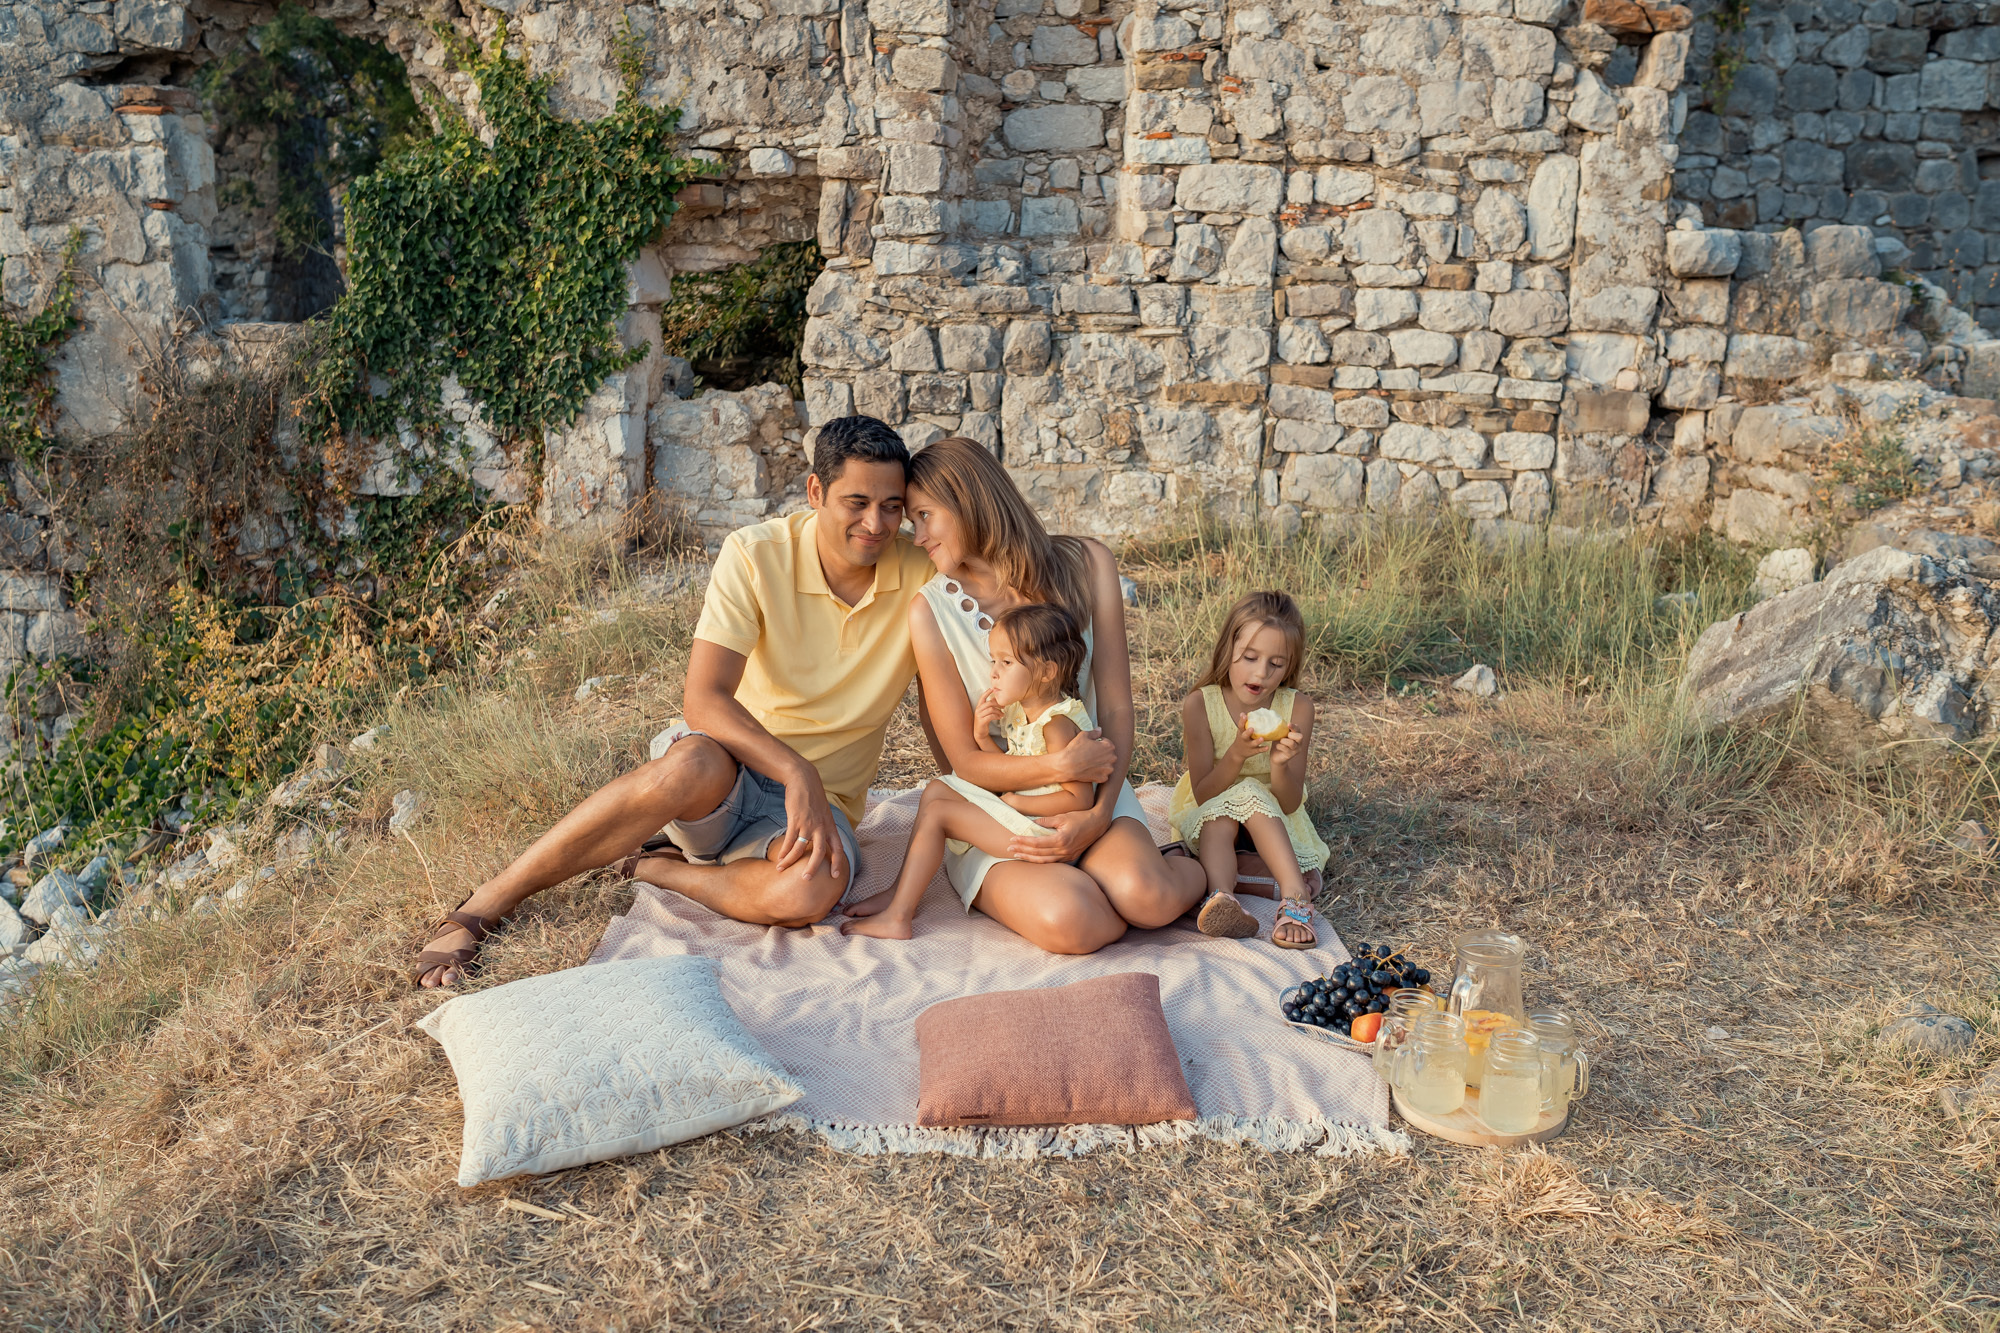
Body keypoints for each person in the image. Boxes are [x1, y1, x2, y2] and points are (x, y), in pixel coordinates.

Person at [409, 416, 1116, 987]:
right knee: (686, 767)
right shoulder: (756, 553)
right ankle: (483, 906)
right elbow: (703, 696)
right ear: (815, 492)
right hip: (732, 769)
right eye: (856, 502)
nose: (877, 523)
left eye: (893, 507)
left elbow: (1000, 576)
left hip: (822, 810)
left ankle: (658, 866)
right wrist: (794, 771)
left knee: (812, 892)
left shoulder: (919, 573)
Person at [897, 436, 1209, 954]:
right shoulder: (929, 612)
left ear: (968, 501)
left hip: (1091, 791)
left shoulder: (1089, 565)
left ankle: (1193, 869)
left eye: (925, 516)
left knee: (1148, 898)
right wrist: (1062, 769)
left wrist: (1098, 815)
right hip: (998, 809)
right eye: (913, 522)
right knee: (1074, 921)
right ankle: (1092, 887)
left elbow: (1115, 707)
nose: (917, 536)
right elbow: (964, 761)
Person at [842, 603, 1096, 940]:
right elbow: (1016, 768)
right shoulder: (1024, 712)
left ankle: (898, 916)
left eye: (1006, 662)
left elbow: (1079, 799)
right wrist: (980, 736)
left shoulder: (1058, 726)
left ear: (1047, 672)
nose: (993, 672)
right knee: (938, 789)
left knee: (940, 814)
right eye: (994, 661)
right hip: (1024, 818)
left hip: (1043, 836)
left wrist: (1018, 804)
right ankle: (899, 891)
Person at [1167, 591, 1330, 949]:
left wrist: (1278, 764)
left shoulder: (1297, 707)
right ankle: (1223, 899)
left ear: (1290, 665)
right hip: (1214, 812)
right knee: (1225, 810)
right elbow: (1205, 793)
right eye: (1250, 657)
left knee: (1253, 794)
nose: (1261, 673)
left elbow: (1287, 804)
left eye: (1276, 663)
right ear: (1228, 649)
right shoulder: (1201, 704)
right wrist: (1237, 755)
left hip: (1272, 819)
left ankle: (1296, 898)